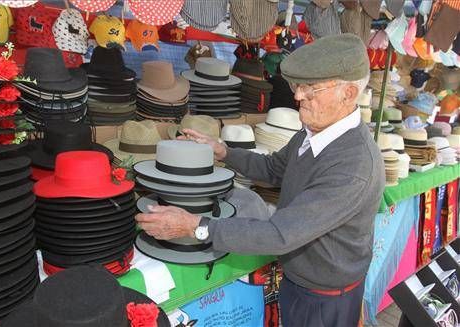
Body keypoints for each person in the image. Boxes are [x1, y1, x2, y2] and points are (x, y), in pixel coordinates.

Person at [136, 34, 385, 327]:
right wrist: (223, 151)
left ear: (349, 94)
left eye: (311, 88)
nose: (298, 96)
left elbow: (280, 234)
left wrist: (195, 226)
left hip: (325, 298)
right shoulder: (316, 132)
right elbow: (273, 168)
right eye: (298, 85)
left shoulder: (353, 165)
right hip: (301, 279)